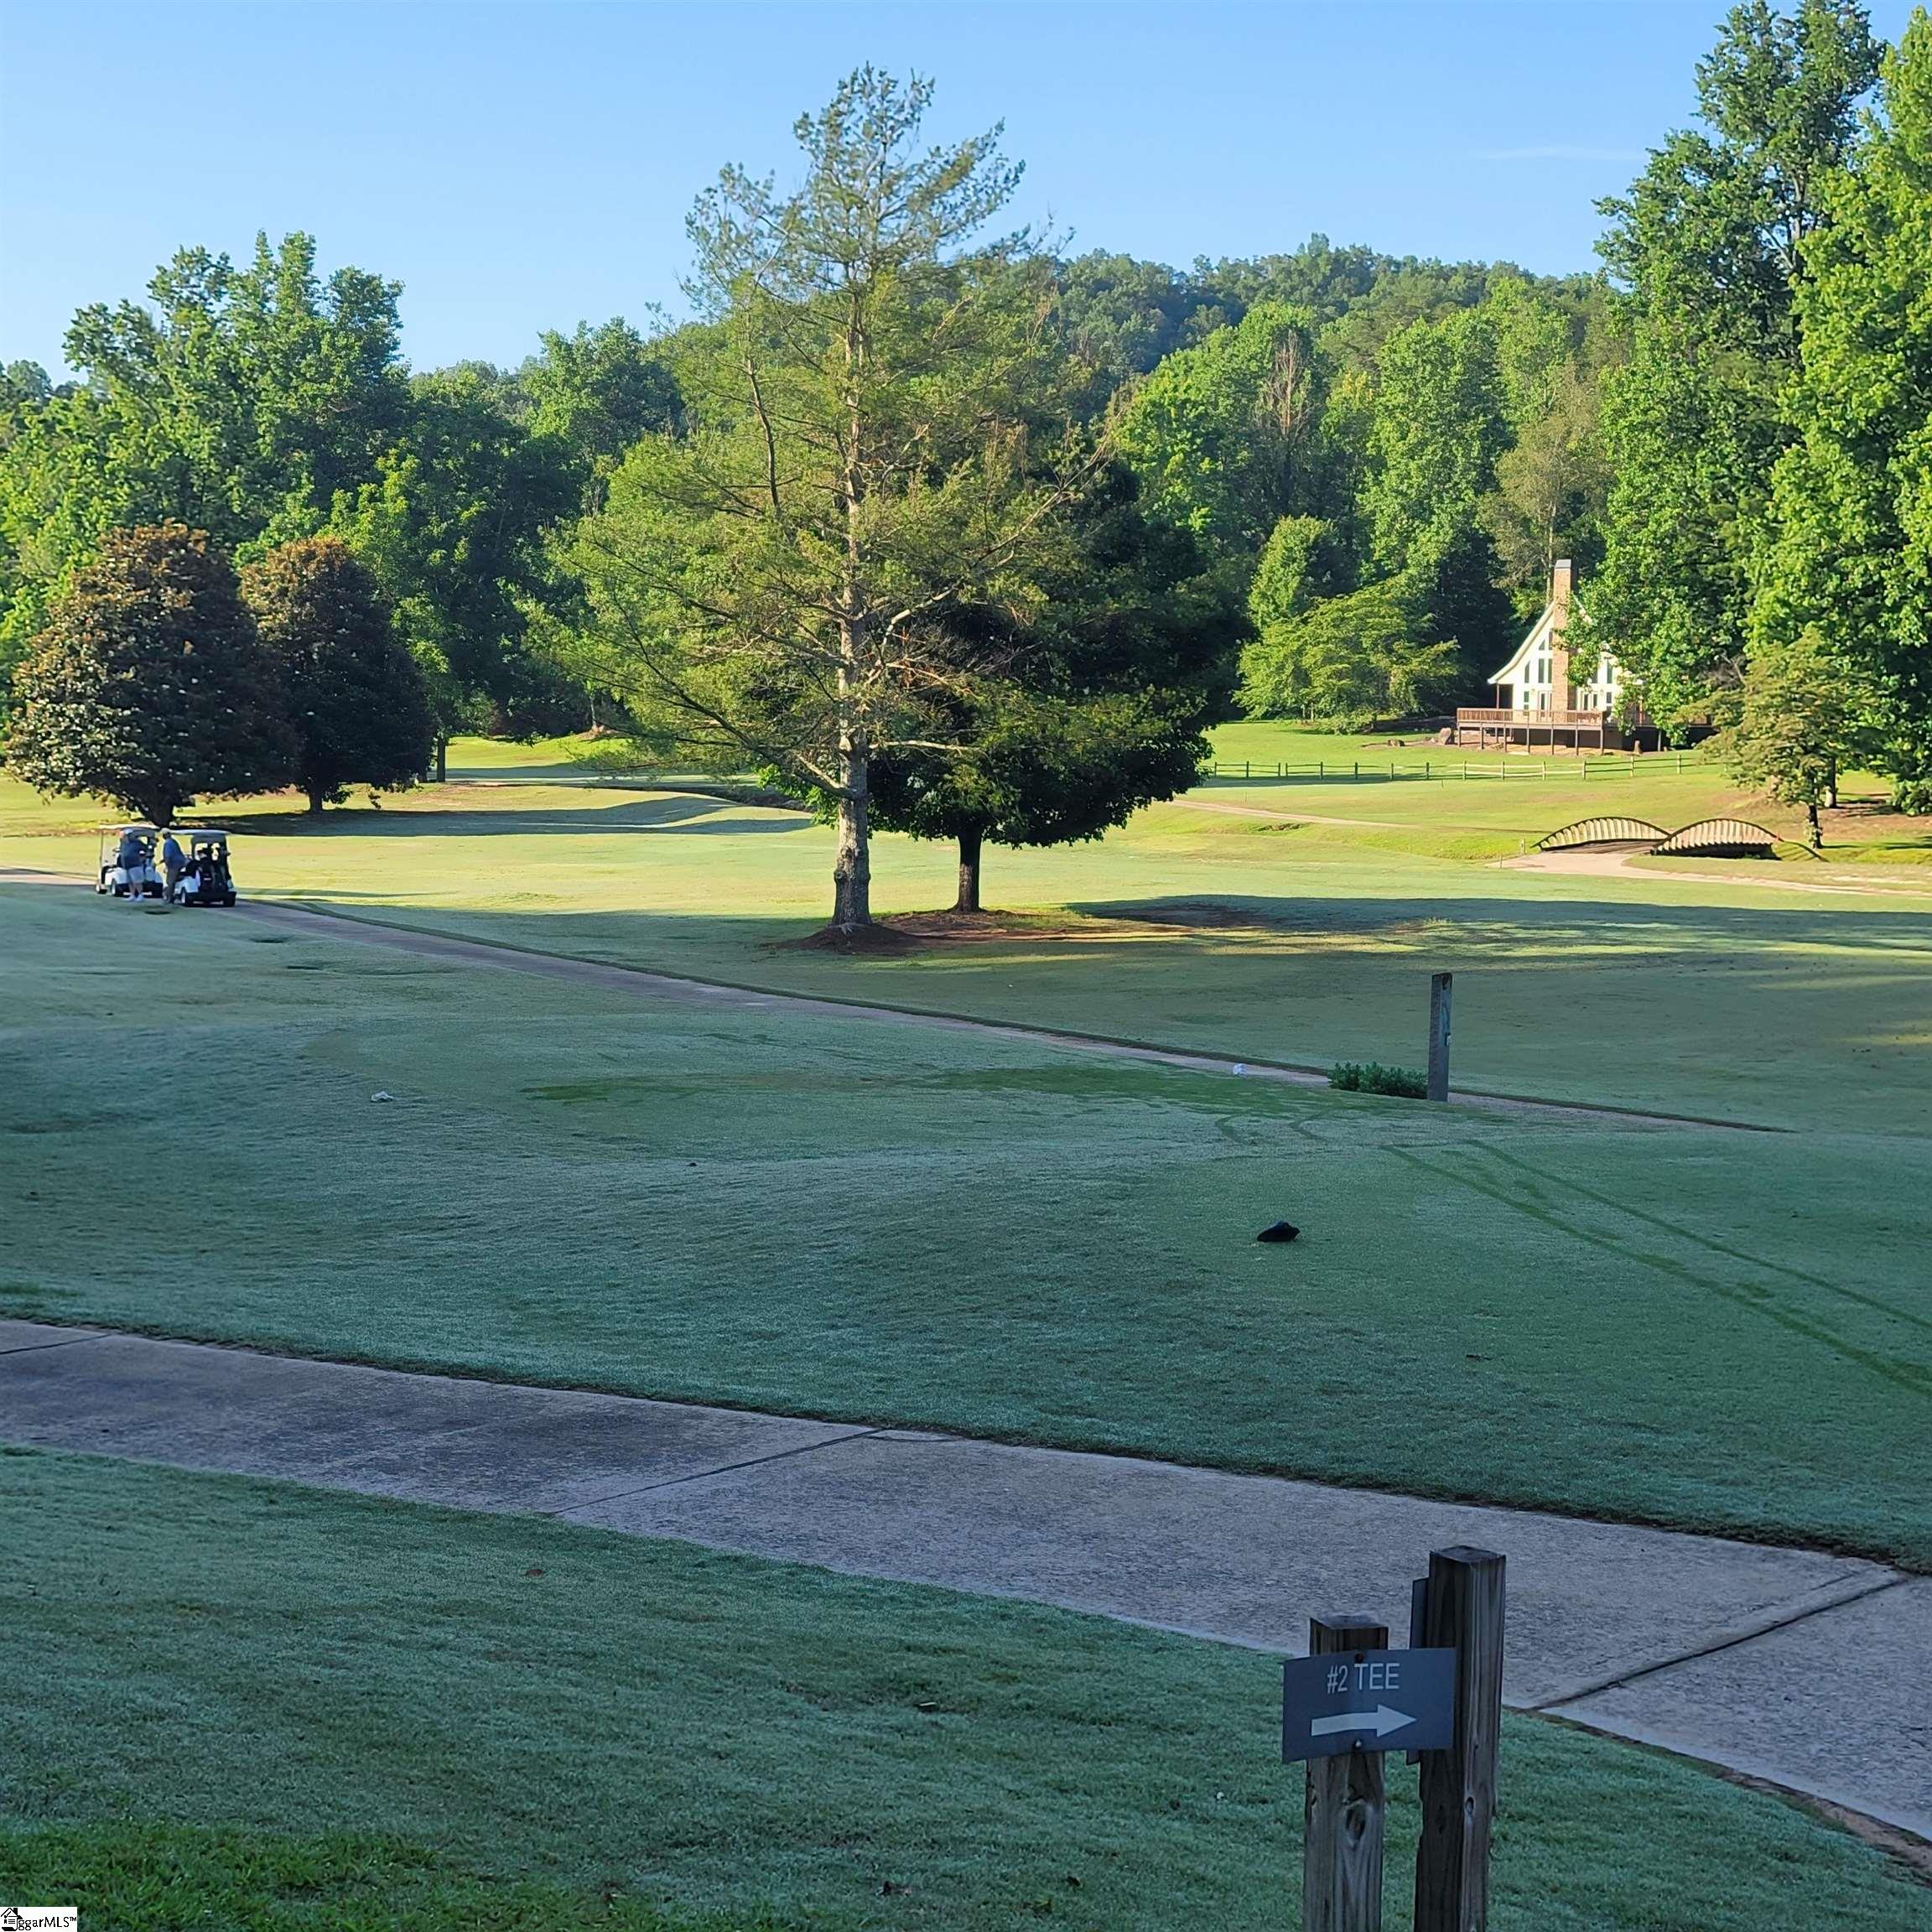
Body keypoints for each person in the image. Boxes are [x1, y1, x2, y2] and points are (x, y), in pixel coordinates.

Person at [161, 830, 186, 899]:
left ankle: (169, 898)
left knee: (170, 881)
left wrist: (167, 865)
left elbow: (168, 856)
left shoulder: (168, 843)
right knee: (173, 880)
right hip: (180, 862)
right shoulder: (174, 841)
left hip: (173, 864)